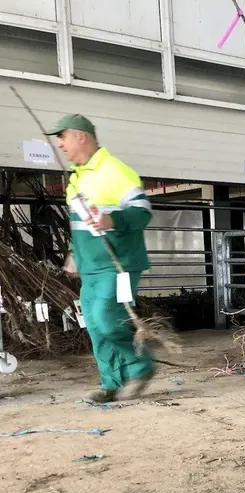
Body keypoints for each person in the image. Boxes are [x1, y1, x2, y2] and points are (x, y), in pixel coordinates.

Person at [47, 114, 155, 403]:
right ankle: (112, 383)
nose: (60, 144)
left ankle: (141, 366)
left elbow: (142, 211)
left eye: (63, 137)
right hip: (91, 265)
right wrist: (73, 254)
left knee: (108, 320)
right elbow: (81, 224)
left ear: (81, 136)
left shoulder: (115, 170)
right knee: (94, 325)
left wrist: (112, 220)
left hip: (118, 263)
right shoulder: (77, 177)